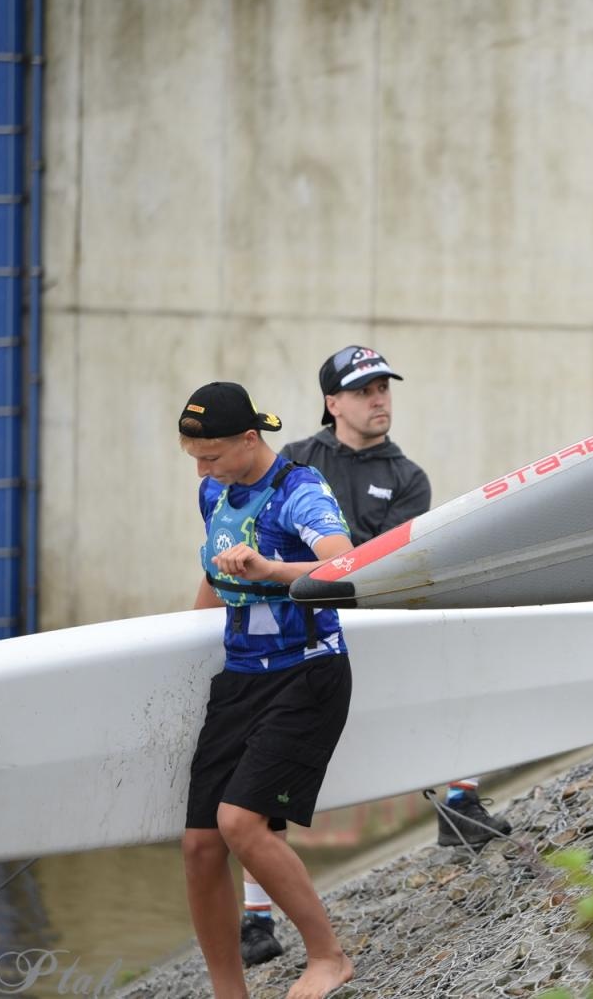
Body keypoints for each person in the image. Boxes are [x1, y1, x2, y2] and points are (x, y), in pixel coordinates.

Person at [234, 346, 511, 968]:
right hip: (293, 628)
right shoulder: (296, 461)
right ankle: (255, 919)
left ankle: (462, 800)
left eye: (384, 388)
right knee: (261, 766)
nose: (380, 399)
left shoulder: (408, 476)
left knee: (467, 649)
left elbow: (388, 562)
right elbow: (263, 538)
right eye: (364, 391)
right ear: (333, 403)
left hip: (374, 617)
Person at [177, 381, 355, 998]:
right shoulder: (212, 492)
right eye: (195, 458)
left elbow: (344, 566)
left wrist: (271, 570)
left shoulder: (299, 491)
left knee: (240, 822)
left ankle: (328, 957)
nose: (203, 470)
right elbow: (212, 576)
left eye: (212, 456)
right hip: (241, 677)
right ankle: (231, 993)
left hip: (307, 671)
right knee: (200, 843)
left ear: (251, 439)